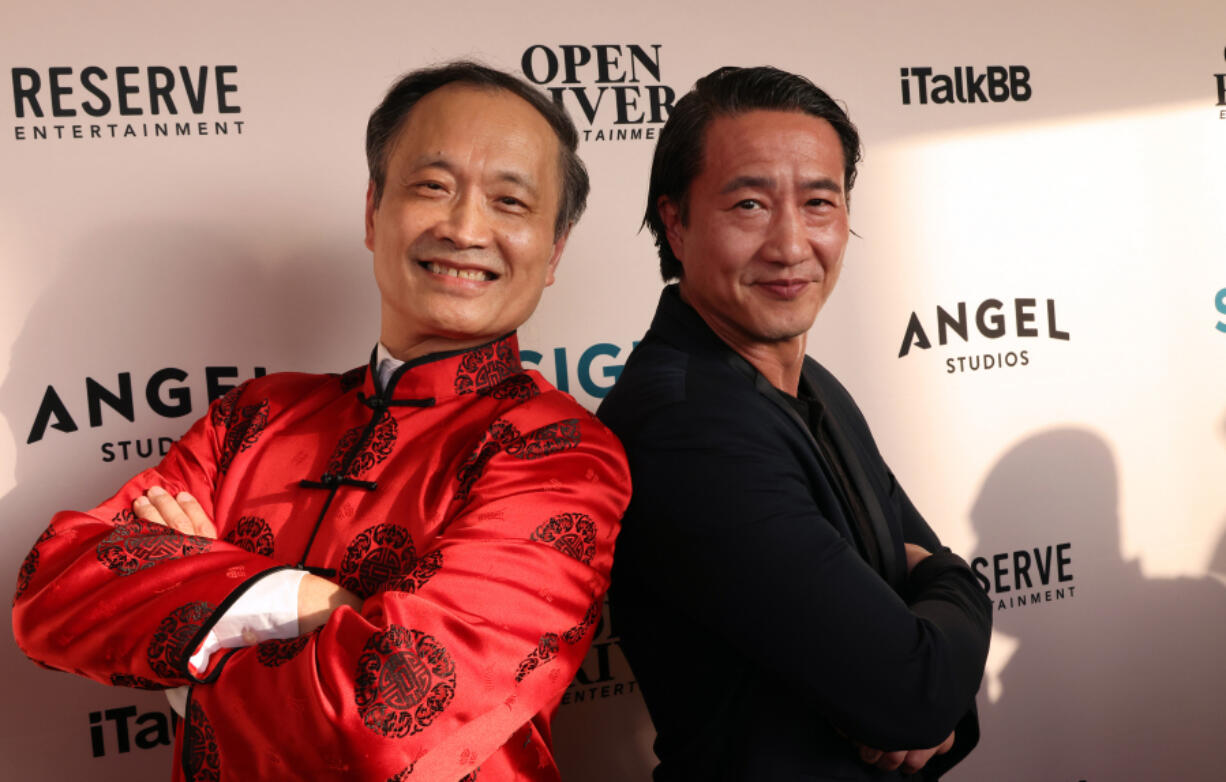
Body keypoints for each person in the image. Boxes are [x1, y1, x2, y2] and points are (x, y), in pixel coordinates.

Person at [12, 61, 630, 782]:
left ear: (553, 251)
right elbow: (51, 590)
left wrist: (192, 655)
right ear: (373, 212)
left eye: (509, 202)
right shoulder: (253, 416)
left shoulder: (560, 453)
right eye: (432, 186)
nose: (465, 227)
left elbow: (386, 714)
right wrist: (308, 601)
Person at [597, 66, 991, 780]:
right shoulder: (683, 424)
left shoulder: (812, 384)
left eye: (819, 203)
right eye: (749, 204)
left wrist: (925, 650)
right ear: (676, 222)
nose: (789, 244)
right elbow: (913, 691)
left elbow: (917, 673)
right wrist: (952, 589)